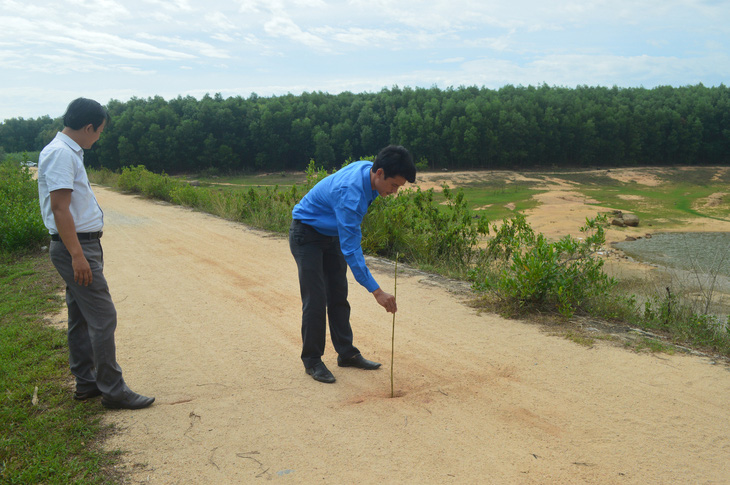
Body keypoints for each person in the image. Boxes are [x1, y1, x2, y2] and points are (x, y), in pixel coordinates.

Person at [38, 98, 154, 410]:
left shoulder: (63, 150)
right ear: (88, 127)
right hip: (77, 245)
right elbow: (61, 209)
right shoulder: (62, 154)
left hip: (80, 244)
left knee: (80, 315)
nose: (98, 137)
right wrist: (78, 255)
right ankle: (114, 391)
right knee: (104, 317)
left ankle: (87, 383)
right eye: (99, 131)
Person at [289, 145, 416, 383]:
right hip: (306, 234)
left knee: (338, 294)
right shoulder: (351, 194)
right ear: (379, 173)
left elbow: (347, 238)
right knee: (316, 300)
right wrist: (376, 291)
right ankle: (312, 361)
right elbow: (351, 249)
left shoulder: (368, 172)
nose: (394, 191)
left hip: (331, 234)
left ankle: (346, 354)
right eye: (394, 185)